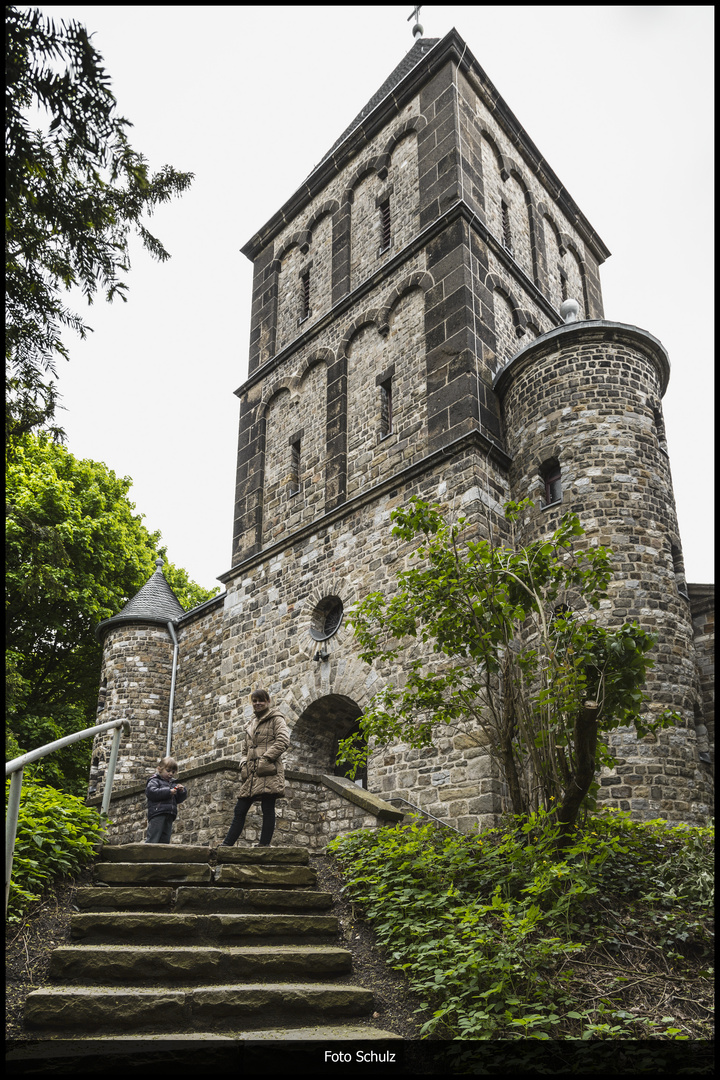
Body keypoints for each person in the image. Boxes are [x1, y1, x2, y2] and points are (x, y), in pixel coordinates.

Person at [221, 689, 290, 847]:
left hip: (268, 770)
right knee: (240, 809)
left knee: (267, 807)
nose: (257, 703)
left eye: (261, 700)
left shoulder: (276, 719)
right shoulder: (250, 724)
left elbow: (283, 740)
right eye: (254, 701)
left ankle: (263, 846)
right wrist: (243, 762)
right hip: (251, 773)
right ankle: (226, 845)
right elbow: (245, 750)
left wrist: (266, 758)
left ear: (268, 702)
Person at [144, 756, 187, 843]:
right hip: (157, 813)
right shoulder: (154, 780)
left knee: (165, 839)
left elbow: (178, 799)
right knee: (154, 838)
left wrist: (181, 791)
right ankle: (148, 855)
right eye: (168, 771)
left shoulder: (172, 783)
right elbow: (152, 792)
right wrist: (169, 792)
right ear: (160, 769)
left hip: (169, 814)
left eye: (173, 772)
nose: (171, 774)